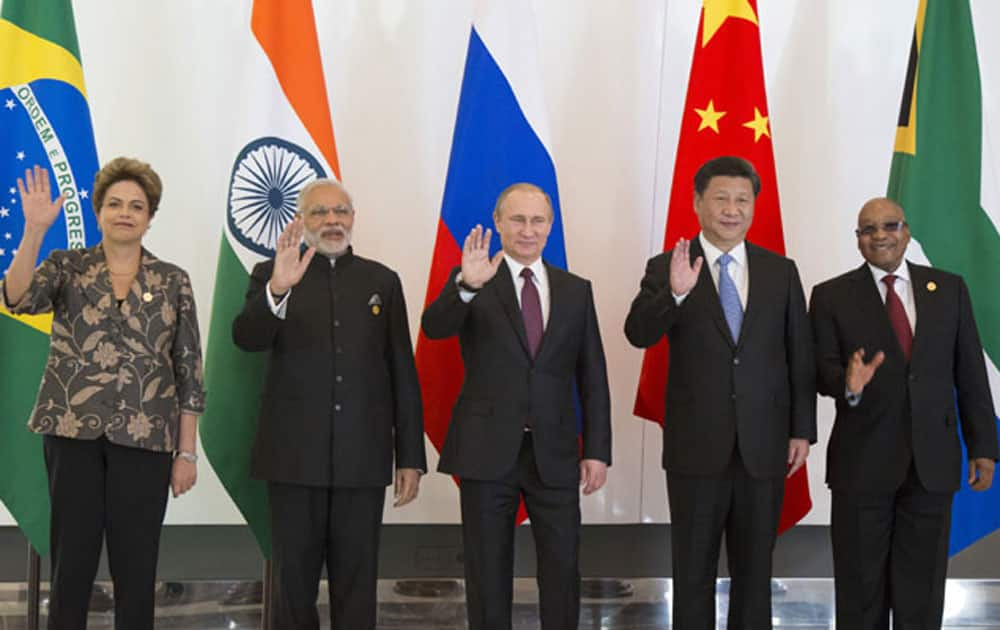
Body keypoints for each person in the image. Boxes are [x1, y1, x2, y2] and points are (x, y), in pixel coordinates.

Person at [1, 160, 204, 630]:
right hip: (72, 434)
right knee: (72, 565)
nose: (125, 213)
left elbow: (189, 371)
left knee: (137, 569)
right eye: (114, 204)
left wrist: (186, 453)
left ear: (150, 217)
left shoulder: (172, 281)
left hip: (146, 440)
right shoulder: (67, 266)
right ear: (98, 212)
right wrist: (33, 232)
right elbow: (15, 297)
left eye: (137, 206)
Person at [624, 156, 816, 629]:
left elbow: (799, 357)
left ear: (753, 207)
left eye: (742, 200)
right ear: (697, 203)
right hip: (696, 447)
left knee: (755, 571)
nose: (732, 209)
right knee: (693, 570)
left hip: (764, 446)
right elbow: (638, 333)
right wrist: (675, 293)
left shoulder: (780, 271)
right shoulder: (668, 265)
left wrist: (801, 431)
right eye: (721, 199)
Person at [232, 178, 426, 629]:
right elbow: (246, 339)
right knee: (292, 586)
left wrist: (410, 457)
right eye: (320, 213)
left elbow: (402, 372)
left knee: (357, 585)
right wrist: (277, 290)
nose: (332, 221)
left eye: (341, 211)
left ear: (353, 219)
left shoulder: (382, 281)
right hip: (292, 461)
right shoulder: (271, 272)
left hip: (363, 461)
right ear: (302, 221)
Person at [421, 182, 611, 630]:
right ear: (499, 223)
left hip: (556, 450)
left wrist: (597, 450)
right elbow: (434, 329)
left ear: (550, 226)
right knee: (487, 570)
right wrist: (465, 285)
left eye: (538, 220)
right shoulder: (474, 277)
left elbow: (593, 376)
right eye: (518, 219)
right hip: (487, 450)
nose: (528, 230)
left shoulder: (575, 290)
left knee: (563, 568)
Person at [809, 197, 998, 629]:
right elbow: (818, 372)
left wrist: (984, 446)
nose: (880, 235)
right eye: (868, 229)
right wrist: (846, 384)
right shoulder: (831, 296)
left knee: (922, 592)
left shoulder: (948, 289)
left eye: (889, 226)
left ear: (907, 232)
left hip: (931, 466)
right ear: (858, 241)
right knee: (860, 592)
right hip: (862, 466)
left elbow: (969, 373)